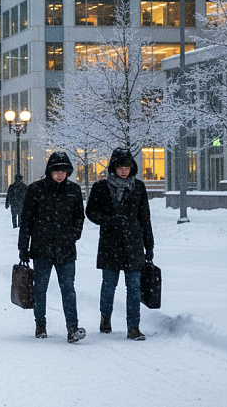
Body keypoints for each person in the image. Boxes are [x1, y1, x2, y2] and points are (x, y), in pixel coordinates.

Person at [85, 147, 155, 341]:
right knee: (109, 285)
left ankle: (133, 326)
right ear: (113, 168)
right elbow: (90, 212)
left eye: (127, 166)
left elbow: (145, 218)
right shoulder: (101, 187)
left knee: (134, 287)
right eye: (120, 167)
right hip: (110, 243)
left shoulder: (138, 187)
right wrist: (108, 220)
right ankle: (105, 316)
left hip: (133, 243)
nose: (124, 170)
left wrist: (149, 246)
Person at [18, 151, 86, 343]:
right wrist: (23, 247)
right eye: (56, 171)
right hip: (42, 247)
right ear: (50, 171)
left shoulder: (73, 190)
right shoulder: (36, 190)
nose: (60, 175)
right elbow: (27, 221)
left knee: (68, 289)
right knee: (40, 288)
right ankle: (40, 324)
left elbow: (79, 215)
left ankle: (72, 327)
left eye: (64, 171)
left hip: (66, 248)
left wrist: (75, 233)